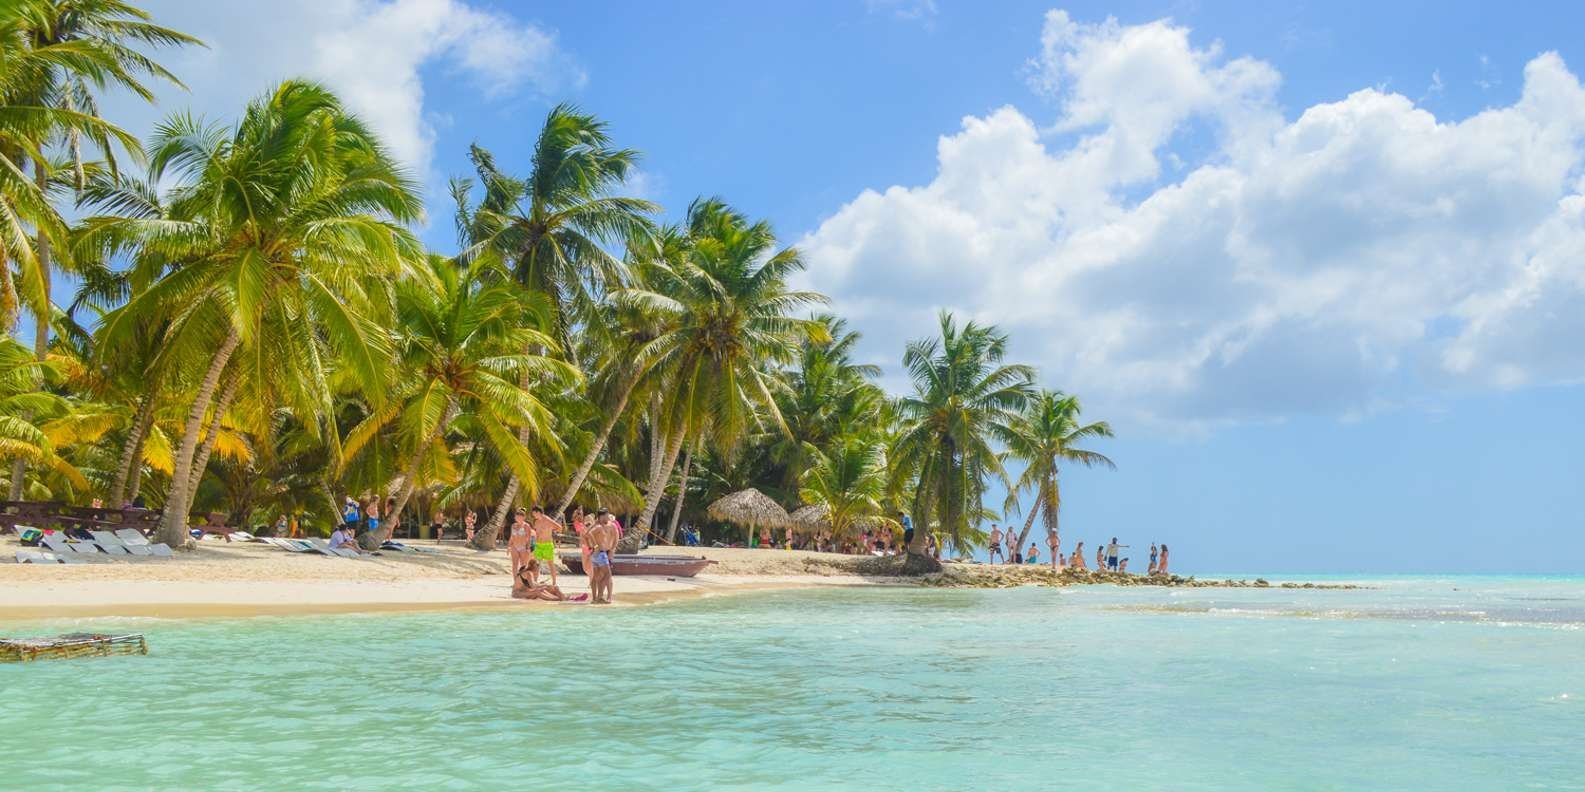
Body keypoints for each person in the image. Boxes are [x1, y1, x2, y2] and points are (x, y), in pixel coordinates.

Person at [587, 510, 619, 604]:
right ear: (602, 516)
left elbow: (616, 538)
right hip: (600, 553)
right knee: (607, 575)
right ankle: (599, 597)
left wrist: (612, 550)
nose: (608, 517)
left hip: (603, 552)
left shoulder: (611, 525)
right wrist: (595, 546)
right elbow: (588, 534)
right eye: (606, 516)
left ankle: (598, 598)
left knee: (598, 576)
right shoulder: (598, 526)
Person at [530, 505, 561, 587]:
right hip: (538, 545)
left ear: (538, 512)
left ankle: (554, 582)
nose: (533, 515)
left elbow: (559, 527)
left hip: (547, 545)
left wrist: (550, 530)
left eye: (534, 513)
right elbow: (535, 532)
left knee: (550, 564)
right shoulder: (536, 522)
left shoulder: (547, 520)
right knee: (536, 564)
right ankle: (535, 581)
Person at [507, 507, 532, 577]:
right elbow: (511, 537)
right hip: (514, 546)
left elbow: (529, 538)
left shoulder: (526, 526)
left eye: (519, 517)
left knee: (523, 565)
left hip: (523, 547)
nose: (517, 518)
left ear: (523, 517)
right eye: (516, 516)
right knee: (514, 564)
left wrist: (528, 548)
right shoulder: (513, 525)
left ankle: (523, 580)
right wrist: (509, 546)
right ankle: (515, 580)